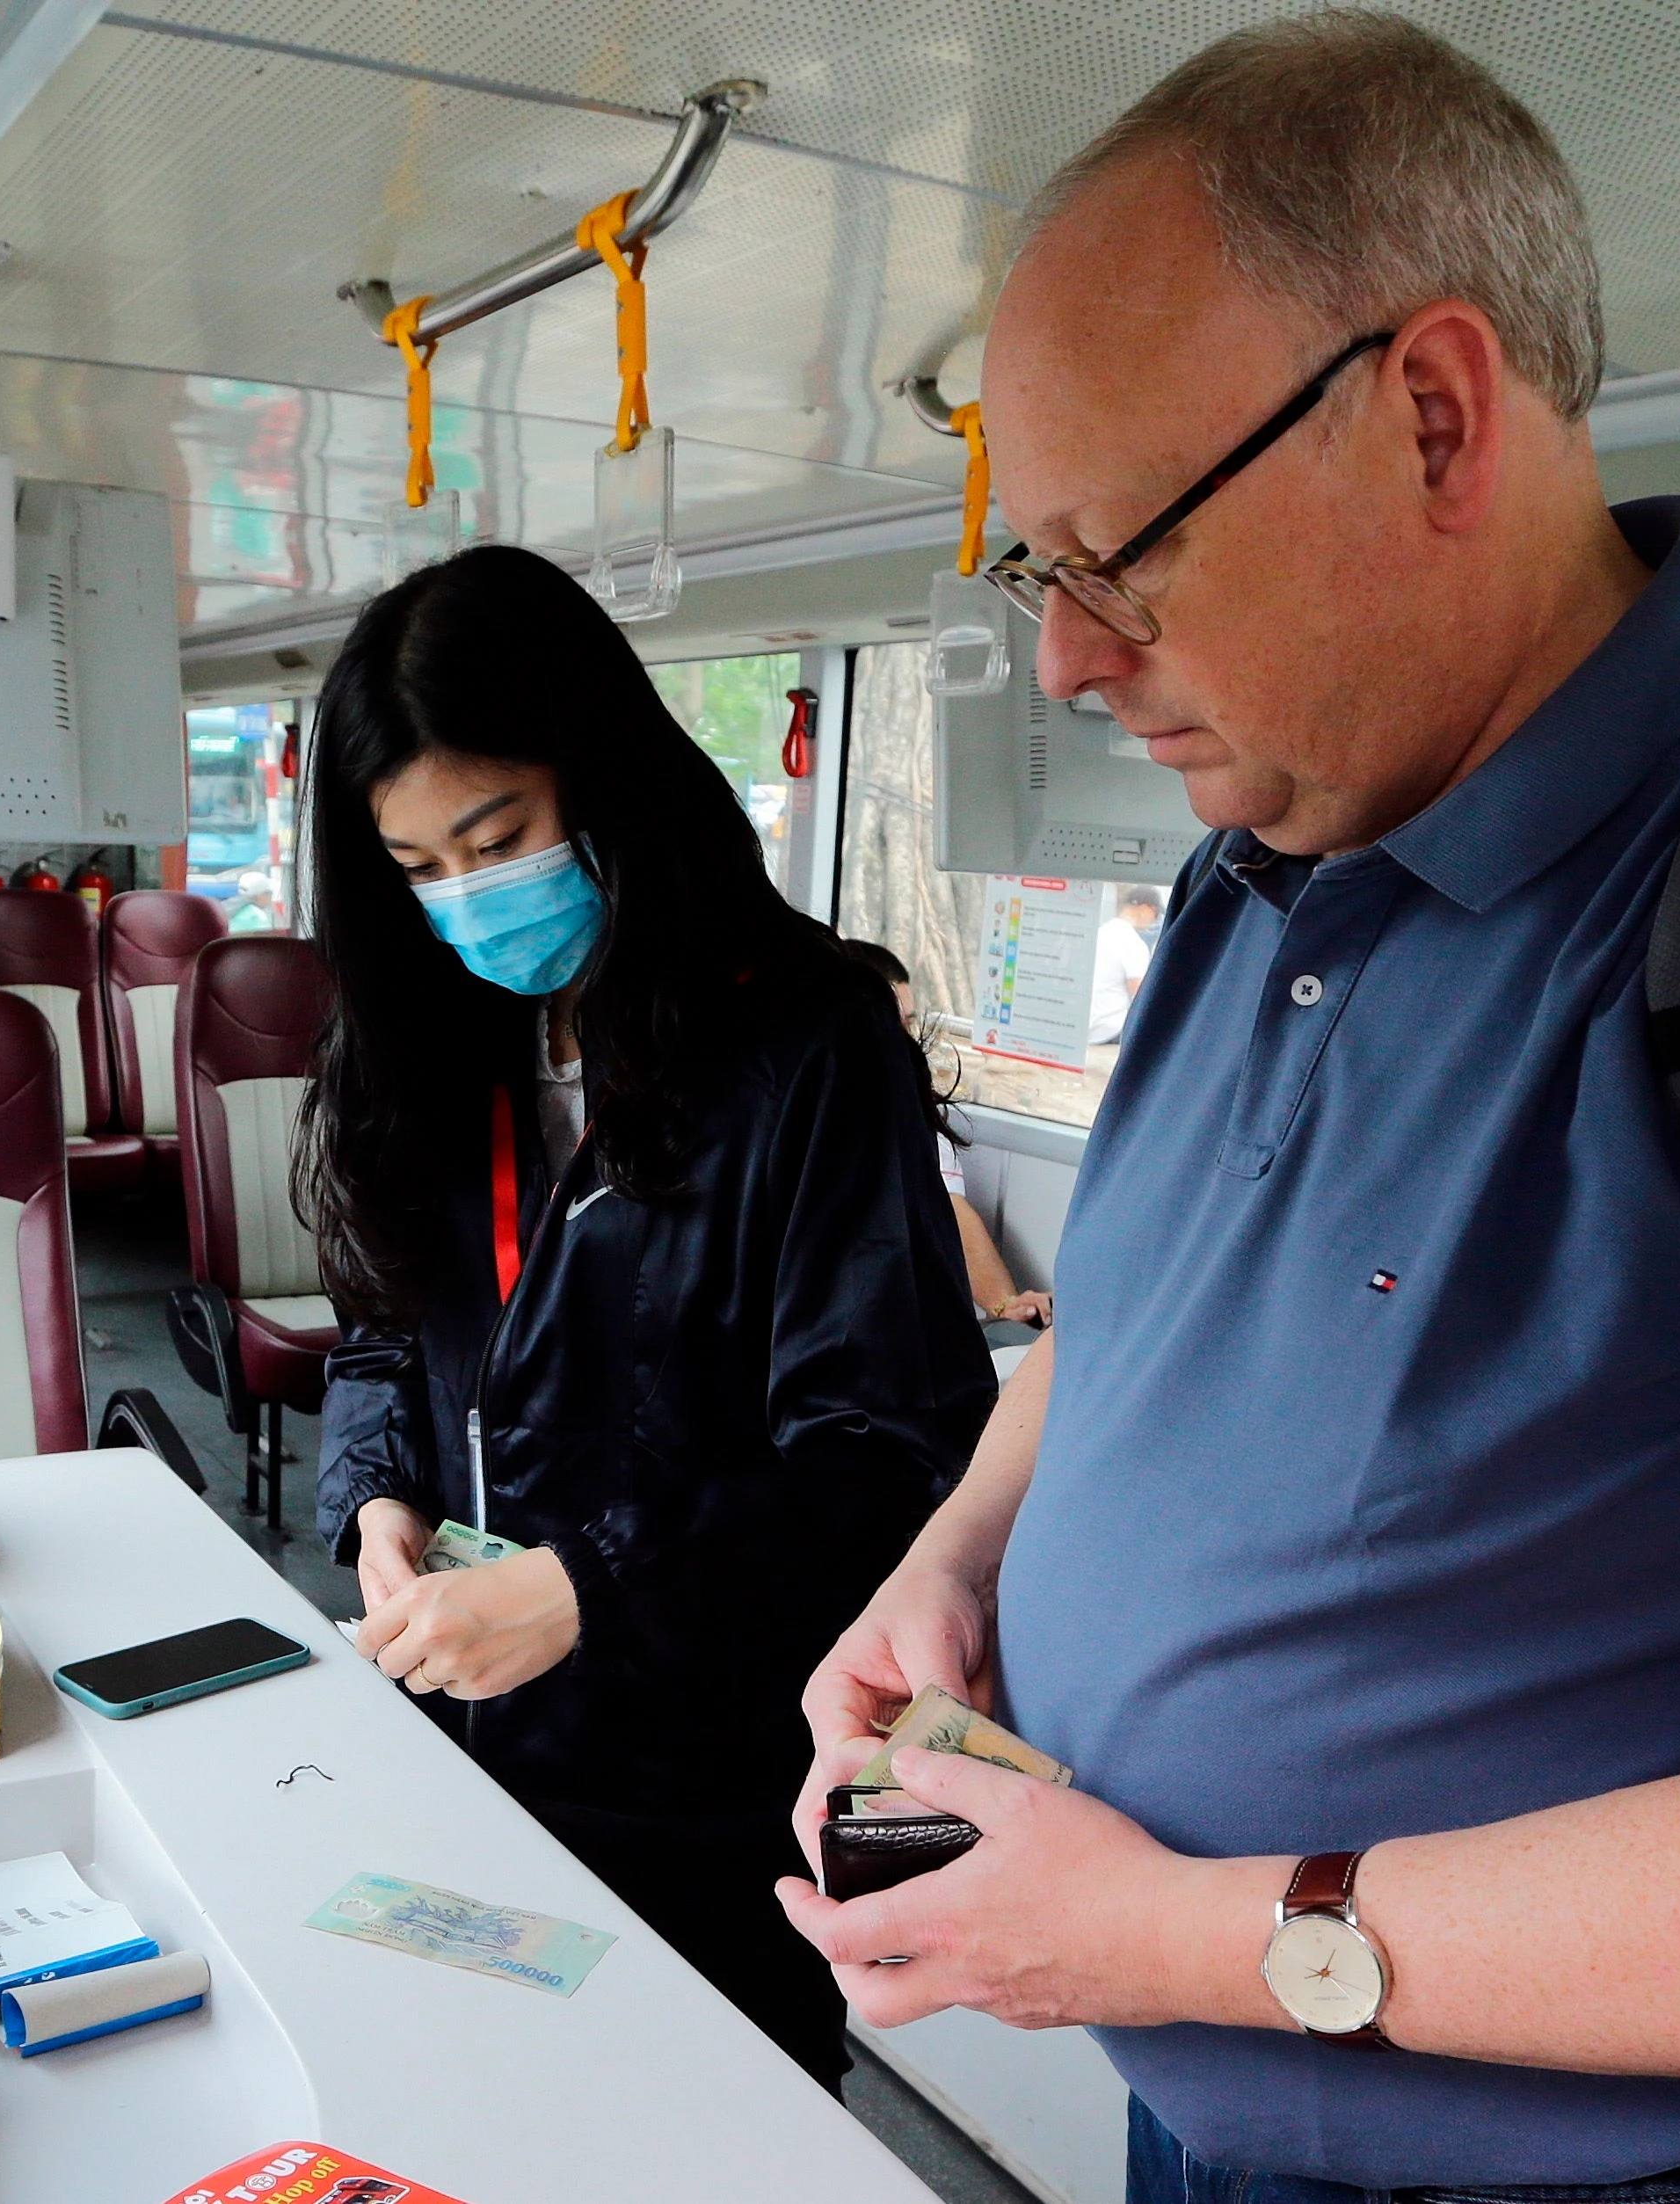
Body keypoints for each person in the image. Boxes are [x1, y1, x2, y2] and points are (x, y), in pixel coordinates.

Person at [782, 15, 1680, 2204]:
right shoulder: (1250, 860)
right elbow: (1128, 1328)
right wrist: (956, 1553)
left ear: (1432, 419)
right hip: (1204, 2120)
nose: (1068, 661)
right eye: (1031, 575)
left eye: (1114, 556)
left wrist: (1165, 1933)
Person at [302, 544, 997, 2087]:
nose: (467, 900)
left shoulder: (806, 1048)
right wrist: (378, 1504)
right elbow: (377, 1335)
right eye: (417, 871)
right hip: (470, 1760)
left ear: (604, 777)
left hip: (714, 1773)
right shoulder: (429, 1053)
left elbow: (881, 1458)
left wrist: (583, 1587)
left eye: (497, 837)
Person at [836, 935, 1052, 1327]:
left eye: (908, 1021)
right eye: (890, 1022)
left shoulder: (911, 1110)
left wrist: (1005, 1304)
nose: (903, 1039)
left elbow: (948, 1208)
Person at [1084, 884, 1160, 1054]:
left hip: (1087, 1027)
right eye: (1156, 914)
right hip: (1110, 1030)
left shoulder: (1101, 932)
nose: (1155, 921)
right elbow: (1140, 995)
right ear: (1146, 908)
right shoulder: (1132, 943)